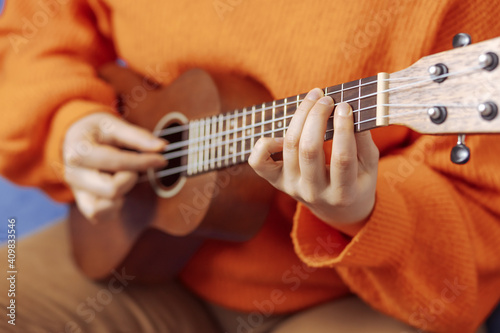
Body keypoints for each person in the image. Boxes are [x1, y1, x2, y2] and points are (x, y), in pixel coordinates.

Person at [1, 0, 500, 332]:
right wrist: (65, 122)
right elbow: (33, 31)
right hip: (137, 250)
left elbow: (481, 218)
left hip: (341, 299)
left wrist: (365, 212)